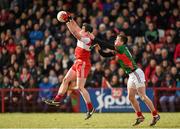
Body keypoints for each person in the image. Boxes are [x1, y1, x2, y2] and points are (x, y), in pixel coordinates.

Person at [94, 34, 160, 126]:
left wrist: (95, 39)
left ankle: (155, 115)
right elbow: (105, 55)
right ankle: (140, 116)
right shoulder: (118, 50)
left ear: (121, 42)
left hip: (136, 73)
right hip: (131, 75)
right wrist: (99, 49)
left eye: (117, 39)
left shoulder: (121, 48)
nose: (115, 41)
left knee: (143, 96)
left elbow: (107, 45)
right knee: (131, 97)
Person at [44, 12, 95, 120]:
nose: (80, 28)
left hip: (83, 64)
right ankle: (57, 99)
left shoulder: (87, 39)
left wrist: (67, 22)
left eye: (83, 28)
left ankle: (90, 108)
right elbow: (76, 27)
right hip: (78, 62)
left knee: (80, 87)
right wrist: (70, 19)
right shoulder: (85, 34)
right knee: (65, 80)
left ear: (86, 31)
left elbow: (74, 33)